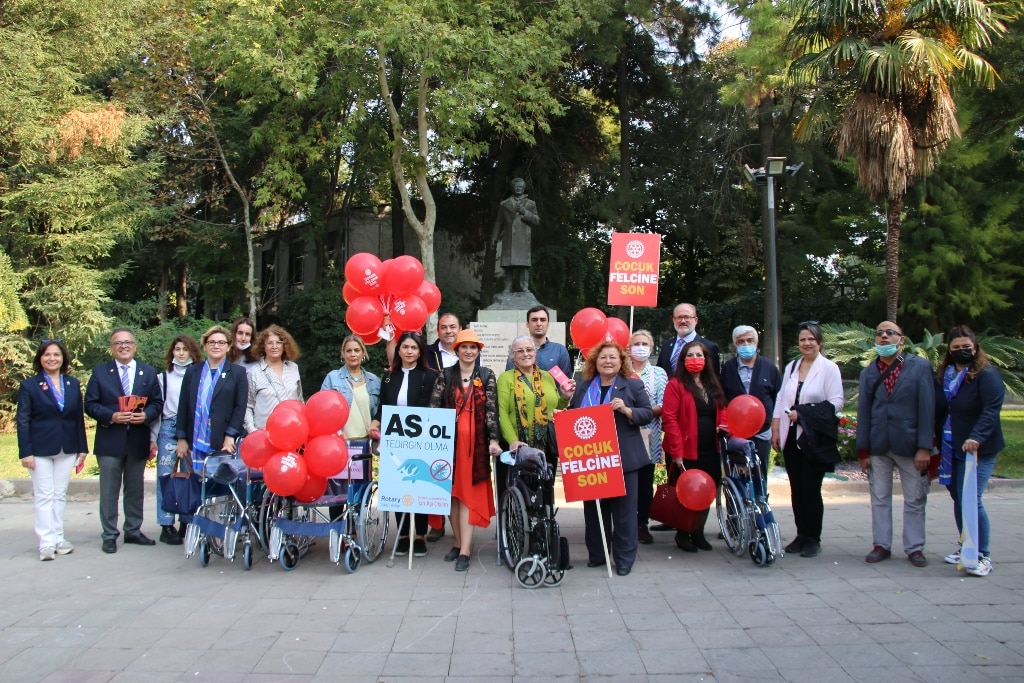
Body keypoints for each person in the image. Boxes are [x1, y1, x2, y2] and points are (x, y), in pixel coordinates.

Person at [569, 341, 653, 576]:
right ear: (595, 362)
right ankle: (598, 555)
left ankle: (624, 559)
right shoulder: (584, 387)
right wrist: (563, 415)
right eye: (603, 357)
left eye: (613, 357)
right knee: (595, 511)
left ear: (621, 361)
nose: (608, 361)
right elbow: (574, 416)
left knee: (624, 513)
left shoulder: (632, 385)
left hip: (623, 459)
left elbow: (647, 413)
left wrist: (627, 410)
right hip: (592, 459)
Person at [857, 321, 935, 567]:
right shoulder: (869, 372)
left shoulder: (919, 367)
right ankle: (881, 545)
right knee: (879, 497)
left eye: (890, 333)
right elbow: (864, 412)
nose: (883, 336)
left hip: (910, 444)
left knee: (914, 498)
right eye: (879, 333)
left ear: (901, 339)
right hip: (879, 444)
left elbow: (927, 408)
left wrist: (925, 446)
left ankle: (914, 547)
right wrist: (863, 450)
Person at [85, 328, 164, 554]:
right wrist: (111, 416)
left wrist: (146, 415)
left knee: (135, 489)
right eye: (118, 343)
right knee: (109, 490)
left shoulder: (148, 372)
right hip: (110, 439)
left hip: (138, 439)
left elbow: (157, 403)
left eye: (128, 342)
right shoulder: (100, 372)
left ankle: (133, 530)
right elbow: (90, 404)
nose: (123, 346)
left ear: (134, 346)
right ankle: (109, 534)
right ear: (112, 348)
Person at [770, 322, 844, 558]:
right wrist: (776, 428)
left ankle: (813, 537)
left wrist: (804, 413)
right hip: (791, 435)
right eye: (803, 339)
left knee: (811, 488)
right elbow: (781, 399)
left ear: (819, 342)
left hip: (813, 438)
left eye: (811, 339)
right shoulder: (792, 367)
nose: (807, 343)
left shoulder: (829, 368)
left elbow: (837, 402)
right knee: (796, 488)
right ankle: (801, 534)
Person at [935, 326, 1004, 577]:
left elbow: (991, 409)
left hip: (977, 449)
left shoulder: (986, 374)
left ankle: (982, 554)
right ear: (949, 350)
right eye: (956, 347)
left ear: (975, 348)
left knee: (971, 498)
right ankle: (966, 545)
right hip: (951, 446)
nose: (961, 351)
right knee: (958, 496)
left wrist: (976, 436)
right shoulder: (946, 374)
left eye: (966, 347)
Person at [429, 329, 500, 572]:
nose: (469, 351)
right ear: (457, 350)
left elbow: (491, 410)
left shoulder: (487, 375)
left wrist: (493, 440)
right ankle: (459, 543)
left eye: (473, 347)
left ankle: (465, 551)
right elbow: (434, 408)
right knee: (451, 496)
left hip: (475, 446)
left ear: (478, 351)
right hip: (449, 444)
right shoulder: (445, 375)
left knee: (467, 496)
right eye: (464, 347)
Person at [17, 340, 89, 561]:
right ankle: (46, 543)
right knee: (45, 496)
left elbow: (77, 418)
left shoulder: (72, 384)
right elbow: (23, 420)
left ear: (63, 358)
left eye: (56, 355)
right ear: (40, 358)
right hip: (39, 449)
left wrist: (82, 447)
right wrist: (25, 452)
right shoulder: (30, 385)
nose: (52, 359)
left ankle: (59, 538)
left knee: (59, 495)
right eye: (47, 354)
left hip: (67, 447)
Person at [368, 332, 438, 557]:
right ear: (398, 350)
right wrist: (375, 423)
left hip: (420, 440)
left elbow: (432, 408)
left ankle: (420, 535)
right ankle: (404, 534)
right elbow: (383, 406)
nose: (409, 351)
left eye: (414, 348)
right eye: (405, 347)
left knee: (419, 486)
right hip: (395, 441)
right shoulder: (390, 376)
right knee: (398, 486)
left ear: (420, 351)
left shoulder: (430, 376)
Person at [662, 340, 727, 553]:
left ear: (706, 359)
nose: (695, 359)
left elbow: (723, 409)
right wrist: (677, 452)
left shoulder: (712, 383)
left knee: (706, 491)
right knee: (686, 493)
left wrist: (723, 425)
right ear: (683, 360)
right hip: (686, 451)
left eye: (699, 355)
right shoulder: (675, 385)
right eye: (690, 355)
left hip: (711, 449)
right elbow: (670, 418)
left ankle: (698, 532)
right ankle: (683, 533)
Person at [496, 335, 575, 503]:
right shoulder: (505, 378)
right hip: (519, 446)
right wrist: (513, 441)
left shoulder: (547, 376)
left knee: (545, 495)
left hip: (545, 446)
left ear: (535, 353)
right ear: (513, 356)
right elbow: (502, 412)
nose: (525, 354)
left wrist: (565, 397)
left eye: (529, 349)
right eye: (520, 351)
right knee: (519, 495)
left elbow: (554, 406)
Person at [175, 326, 248, 491]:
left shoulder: (238, 372)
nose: (216, 346)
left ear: (228, 346)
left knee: (222, 489)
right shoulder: (192, 372)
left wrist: (230, 435)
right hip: (194, 439)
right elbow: (183, 406)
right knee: (196, 488)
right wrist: (181, 438)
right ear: (205, 345)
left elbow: (240, 407)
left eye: (221, 342)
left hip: (222, 440)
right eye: (212, 342)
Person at [321, 334, 382, 521]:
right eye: (349, 351)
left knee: (360, 493)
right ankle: (337, 529)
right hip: (339, 443)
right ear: (343, 353)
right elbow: (321, 408)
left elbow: (379, 412)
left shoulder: (373, 380)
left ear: (363, 353)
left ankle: (355, 531)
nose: (353, 354)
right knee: (337, 494)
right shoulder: (333, 378)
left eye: (356, 350)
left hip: (363, 445)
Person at [150, 335, 203, 545]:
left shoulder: (199, 375)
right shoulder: (163, 377)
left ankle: (187, 521)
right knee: (166, 475)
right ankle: (166, 524)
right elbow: (157, 410)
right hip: (169, 426)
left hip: (192, 428)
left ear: (192, 352)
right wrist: (152, 437)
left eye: (185, 349)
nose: (181, 353)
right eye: (177, 349)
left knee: (191, 475)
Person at [721, 325, 781, 476]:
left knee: (760, 475)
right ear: (736, 344)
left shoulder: (769, 368)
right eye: (741, 341)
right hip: (736, 434)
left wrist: (776, 429)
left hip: (762, 432)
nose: (746, 344)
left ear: (756, 343)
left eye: (750, 340)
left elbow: (778, 399)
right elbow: (722, 398)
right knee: (737, 476)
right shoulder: (728, 368)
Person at [628, 330, 667, 545]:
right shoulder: (621, 370)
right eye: (636, 344)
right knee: (625, 481)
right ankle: (625, 523)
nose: (640, 347)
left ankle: (642, 522)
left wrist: (636, 413)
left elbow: (663, 404)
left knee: (644, 481)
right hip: (624, 433)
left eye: (644, 344)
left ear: (651, 348)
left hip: (648, 433)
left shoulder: (659, 374)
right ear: (629, 348)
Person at [245, 324, 303, 433]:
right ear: (263, 346)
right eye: (270, 343)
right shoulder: (254, 372)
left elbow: (300, 400)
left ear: (284, 345)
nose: (274, 346)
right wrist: (253, 431)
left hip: (293, 431)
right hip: (265, 434)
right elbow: (247, 406)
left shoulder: (293, 368)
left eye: (278, 342)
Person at [492, 177, 540, 293]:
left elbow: (536, 220)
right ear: (512, 188)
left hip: (523, 239)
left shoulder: (530, 203)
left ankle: (524, 287)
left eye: (520, 187)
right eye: (516, 186)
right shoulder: (504, 204)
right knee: (508, 264)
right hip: (509, 238)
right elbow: (498, 222)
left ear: (524, 188)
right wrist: (494, 238)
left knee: (523, 265)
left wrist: (525, 212)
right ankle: (507, 287)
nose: (518, 188)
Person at [504, 306, 572, 379]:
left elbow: (565, 382)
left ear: (548, 324)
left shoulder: (559, 351)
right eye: (534, 320)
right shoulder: (517, 350)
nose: (539, 324)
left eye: (543, 320)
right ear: (527, 324)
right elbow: (509, 378)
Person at [656, 303, 721, 375]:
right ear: (673, 320)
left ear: (696, 320)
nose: (683, 321)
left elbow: (713, 377)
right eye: (679, 317)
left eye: (687, 317)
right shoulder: (666, 345)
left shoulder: (709, 347)